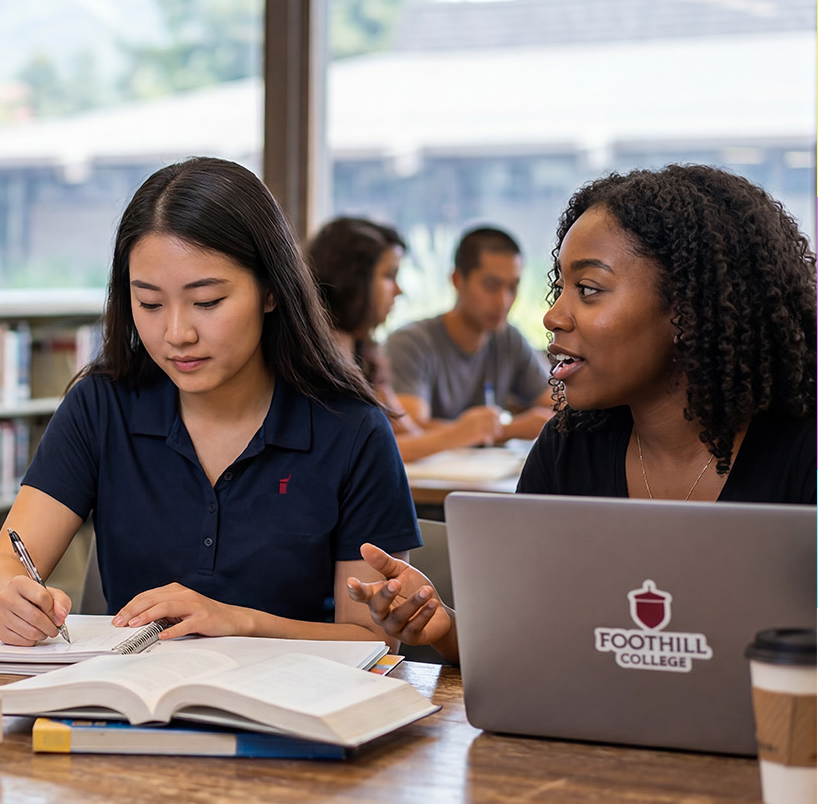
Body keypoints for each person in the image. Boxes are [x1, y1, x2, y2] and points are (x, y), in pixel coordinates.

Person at [347, 164, 817, 664]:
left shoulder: (802, 452)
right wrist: (446, 628)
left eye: (589, 289)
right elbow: (533, 648)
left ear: (687, 308)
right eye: (561, 288)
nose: (553, 316)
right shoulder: (568, 448)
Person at [0, 157, 421, 648]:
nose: (176, 334)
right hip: (130, 707)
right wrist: (9, 598)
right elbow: (1, 569)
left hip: (292, 713)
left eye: (207, 302)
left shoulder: (352, 430)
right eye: (149, 303)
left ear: (270, 291)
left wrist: (237, 621)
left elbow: (372, 641)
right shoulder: (101, 406)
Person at [306, 217, 507, 461]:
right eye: (390, 275)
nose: (398, 290)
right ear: (352, 280)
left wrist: (466, 431)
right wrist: (457, 434)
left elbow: (403, 429)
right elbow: (364, 452)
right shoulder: (313, 360)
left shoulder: (363, 354)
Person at [385, 226, 554, 443]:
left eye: (512, 287)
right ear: (457, 280)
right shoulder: (411, 343)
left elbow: (554, 406)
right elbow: (410, 428)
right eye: (491, 286)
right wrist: (509, 429)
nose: (504, 301)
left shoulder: (509, 339)